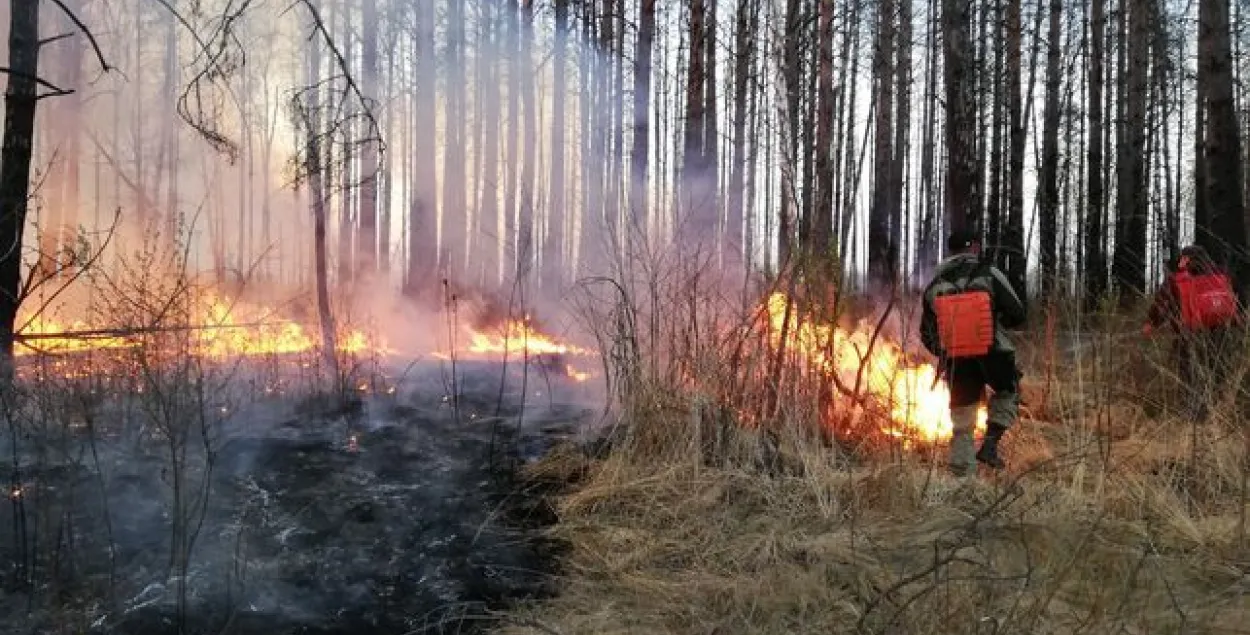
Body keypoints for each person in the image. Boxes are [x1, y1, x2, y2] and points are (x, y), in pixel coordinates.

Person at [920, 230, 1028, 476]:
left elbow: (926, 333)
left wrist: (946, 348)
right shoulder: (989, 272)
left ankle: (962, 480)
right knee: (1009, 389)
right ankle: (989, 445)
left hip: (957, 358)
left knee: (962, 419)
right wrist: (996, 323)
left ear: (951, 252)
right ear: (975, 248)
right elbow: (1018, 312)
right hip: (994, 351)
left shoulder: (935, 285)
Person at [1142, 244, 1242, 420]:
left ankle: (1194, 413)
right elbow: (1236, 298)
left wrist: (1151, 323)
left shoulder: (1178, 279)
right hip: (1222, 332)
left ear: (1186, 259)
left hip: (1189, 334)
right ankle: (1218, 410)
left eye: (1182, 257)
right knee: (1217, 371)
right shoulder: (1221, 275)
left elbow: (1162, 303)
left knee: (1189, 373)